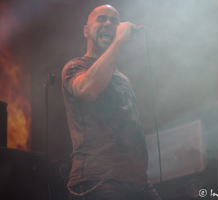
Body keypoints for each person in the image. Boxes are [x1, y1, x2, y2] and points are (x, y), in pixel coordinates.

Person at [62, 4, 160, 200]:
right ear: (86, 30)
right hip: (98, 180)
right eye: (101, 19)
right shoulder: (75, 66)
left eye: (114, 21)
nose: (109, 24)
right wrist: (119, 42)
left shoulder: (123, 78)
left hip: (139, 182)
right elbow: (87, 90)